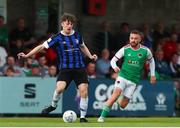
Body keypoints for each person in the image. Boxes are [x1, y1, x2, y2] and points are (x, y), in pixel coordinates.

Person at [17, 13, 97, 122]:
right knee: (60, 89)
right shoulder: (57, 38)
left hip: (79, 68)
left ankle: (82, 117)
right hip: (65, 69)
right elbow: (41, 46)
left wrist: (90, 56)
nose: (69, 26)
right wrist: (27, 55)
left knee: (84, 91)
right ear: (62, 24)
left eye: (71, 24)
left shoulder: (77, 35)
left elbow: (82, 46)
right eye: (67, 23)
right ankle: (53, 105)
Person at [97, 30, 156, 122]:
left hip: (134, 80)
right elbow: (113, 60)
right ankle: (102, 117)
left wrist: (152, 75)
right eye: (131, 38)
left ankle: (120, 98)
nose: (133, 40)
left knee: (122, 105)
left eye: (136, 38)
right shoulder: (125, 49)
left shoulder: (146, 51)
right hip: (123, 76)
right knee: (115, 95)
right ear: (129, 38)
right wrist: (115, 67)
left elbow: (152, 61)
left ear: (140, 39)